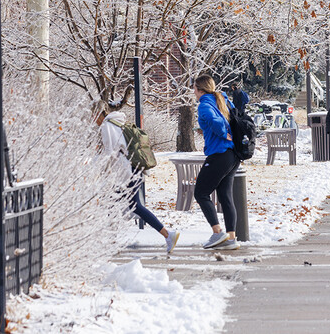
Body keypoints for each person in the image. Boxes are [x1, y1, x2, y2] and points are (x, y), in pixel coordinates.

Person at [99, 111, 179, 254]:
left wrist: (104, 171)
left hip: (123, 172)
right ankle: (167, 235)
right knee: (123, 203)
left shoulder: (106, 125)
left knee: (122, 203)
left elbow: (110, 152)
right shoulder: (120, 122)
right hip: (133, 167)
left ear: (97, 114)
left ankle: (110, 242)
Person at [194, 75, 241, 250]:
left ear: (200, 90)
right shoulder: (222, 100)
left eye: (194, 89)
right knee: (225, 196)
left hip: (219, 154)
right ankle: (230, 238)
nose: (194, 92)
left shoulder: (204, 105)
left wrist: (222, 134)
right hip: (232, 155)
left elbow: (217, 122)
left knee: (201, 193)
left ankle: (217, 232)